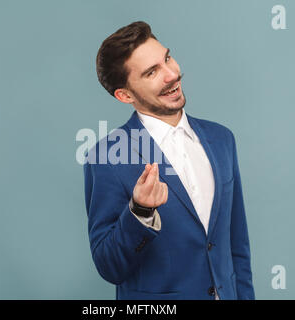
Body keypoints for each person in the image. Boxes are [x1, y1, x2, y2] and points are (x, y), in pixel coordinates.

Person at [83, 21, 255, 300]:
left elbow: (237, 247)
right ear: (124, 95)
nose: (172, 74)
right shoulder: (106, 157)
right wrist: (139, 211)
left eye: (167, 58)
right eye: (152, 72)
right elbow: (109, 266)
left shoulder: (222, 139)